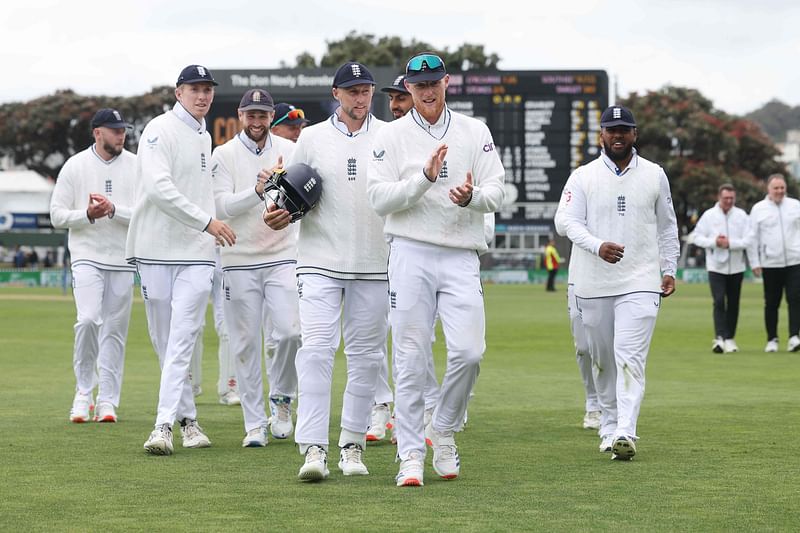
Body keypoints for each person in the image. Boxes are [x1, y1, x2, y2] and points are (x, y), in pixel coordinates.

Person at [368, 52, 505, 486]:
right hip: (409, 252)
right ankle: (410, 456)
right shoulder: (391, 136)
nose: (427, 91)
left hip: (461, 253)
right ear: (407, 87)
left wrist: (471, 199)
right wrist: (424, 179)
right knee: (410, 357)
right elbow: (379, 200)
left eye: (434, 83)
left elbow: (497, 190)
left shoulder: (473, 130)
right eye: (418, 84)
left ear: (447, 82)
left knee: (469, 352)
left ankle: (442, 428)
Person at [264, 61, 388, 481]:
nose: (360, 97)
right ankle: (313, 448)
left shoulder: (389, 136)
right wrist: (275, 211)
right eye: (352, 91)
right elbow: (281, 192)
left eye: (366, 90)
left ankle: (352, 446)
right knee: (316, 351)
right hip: (319, 261)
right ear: (336, 94)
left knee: (366, 359)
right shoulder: (312, 138)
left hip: (374, 264)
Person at [555, 105, 679, 461]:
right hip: (592, 283)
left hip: (640, 279)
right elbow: (565, 221)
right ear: (602, 136)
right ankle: (608, 426)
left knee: (630, 357)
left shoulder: (655, 175)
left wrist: (668, 267)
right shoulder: (583, 177)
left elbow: (668, 226)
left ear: (635, 134)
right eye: (612, 130)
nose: (619, 136)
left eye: (625, 130)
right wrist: (597, 246)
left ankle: (626, 429)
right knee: (603, 360)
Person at [126, 64, 237, 456]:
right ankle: (189, 420)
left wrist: (207, 227)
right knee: (165, 341)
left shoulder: (204, 135)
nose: (203, 95)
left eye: (207, 89)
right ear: (179, 93)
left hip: (197, 253)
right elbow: (158, 189)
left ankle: (162, 426)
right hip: (155, 248)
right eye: (195, 89)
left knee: (183, 335)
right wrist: (207, 220)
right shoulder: (159, 130)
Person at [212, 88, 301, 447]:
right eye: (251, 115)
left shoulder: (291, 151)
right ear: (240, 115)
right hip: (238, 259)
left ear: (269, 117)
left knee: (291, 333)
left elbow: (305, 196)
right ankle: (253, 423)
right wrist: (257, 189)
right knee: (246, 344)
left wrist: (289, 206)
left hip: (283, 254)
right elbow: (221, 208)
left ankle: (281, 399)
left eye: (263, 115)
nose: (257, 121)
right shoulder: (224, 155)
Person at [50, 107, 137, 424]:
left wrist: (114, 210)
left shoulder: (136, 166)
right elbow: (57, 216)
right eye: (115, 130)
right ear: (97, 132)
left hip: (123, 259)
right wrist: (87, 215)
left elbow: (144, 212)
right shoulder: (75, 166)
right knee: (87, 320)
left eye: (123, 129)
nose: (121, 135)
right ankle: (83, 393)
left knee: (114, 332)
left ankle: (108, 401)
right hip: (87, 255)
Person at [690, 184, 751, 353]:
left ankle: (730, 338)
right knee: (718, 301)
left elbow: (748, 240)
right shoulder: (709, 215)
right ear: (719, 197)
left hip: (737, 267)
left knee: (733, 303)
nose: (729, 201)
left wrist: (730, 243)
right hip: (716, 266)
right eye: (726, 198)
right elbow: (696, 237)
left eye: (732, 198)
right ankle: (719, 338)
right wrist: (715, 242)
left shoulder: (741, 216)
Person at [748, 173, 800, 352]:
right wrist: (755, 262)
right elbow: (752, 238)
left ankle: (794, 336)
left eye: (782, 188)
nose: (779, 191)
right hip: (770, 263)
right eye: (776, 188)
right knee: (771, 303)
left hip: (795, 261)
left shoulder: (795, 206)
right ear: (768, 189)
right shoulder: (758, 209)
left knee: (795, 299)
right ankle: (772, 339)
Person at [565, 253, 602, 432]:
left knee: (609, 346)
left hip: (615, 278)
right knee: (583, 348)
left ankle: (609, 406)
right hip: (578, 280)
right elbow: (562, 226)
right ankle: (593, 402)